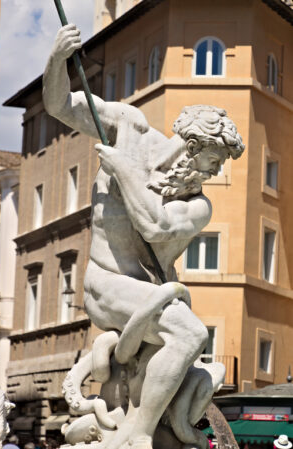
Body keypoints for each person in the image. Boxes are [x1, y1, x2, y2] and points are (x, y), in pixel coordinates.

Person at [43, 25, 244, 449]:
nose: (213, 172)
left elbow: (155, 226)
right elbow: (59, 105)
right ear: (191, 145)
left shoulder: (197, 205)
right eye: (213, 160)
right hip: (106, 282)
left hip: (149, 293)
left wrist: (125, 174)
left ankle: (143, 429)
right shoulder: (128, 129)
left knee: (186, 344)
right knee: (190, 334)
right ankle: (139, 437)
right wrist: (57, 60)